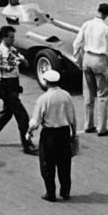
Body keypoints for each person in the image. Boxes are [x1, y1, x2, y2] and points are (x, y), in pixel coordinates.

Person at [0, 26, 37, 154]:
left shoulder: (13, 51)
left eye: (13, 37)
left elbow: (26, 64)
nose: (13, 39)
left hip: (14, 84)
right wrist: (3, 68)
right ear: (4, 37)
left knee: (7, 113)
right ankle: (27, 144)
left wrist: (22, 60)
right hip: (5, 85)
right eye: (10, 37)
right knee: (22, 116)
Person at [26, 70, 78, 201]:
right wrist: (74, 134)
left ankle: (51, 193)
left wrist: (29, 132)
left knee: (47, 165)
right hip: (64, 133)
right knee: (65, 165)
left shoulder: (43, 99)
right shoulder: (66, 96)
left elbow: (35, 121)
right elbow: (72, 118)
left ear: (47, 82)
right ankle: (65, 191)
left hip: (49, 135)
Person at [73, 3, 108, 136]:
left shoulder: (87, 24)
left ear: (97, 11)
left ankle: (88, 124)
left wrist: (78, 59)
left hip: (87, 58)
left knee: (88, 93)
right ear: (107, 14)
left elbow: (76, 43)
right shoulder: (106, 28)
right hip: (99, 59)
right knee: (103, 94)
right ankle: (102, 127)